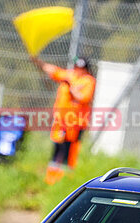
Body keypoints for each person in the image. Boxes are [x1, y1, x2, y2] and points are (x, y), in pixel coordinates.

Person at [31, 56, 96, 185]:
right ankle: (51, 178)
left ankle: (66, 179)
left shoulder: (88, 81)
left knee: (69, 151)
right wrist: (38, 61)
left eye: (81, 68)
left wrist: (72, 89)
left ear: (86, 69)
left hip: (75, 123)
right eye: (77, 67)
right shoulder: (69, 75)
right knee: (57, 148)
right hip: (61, 121)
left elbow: (84, 98)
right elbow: (53, 70)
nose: (78, 70)